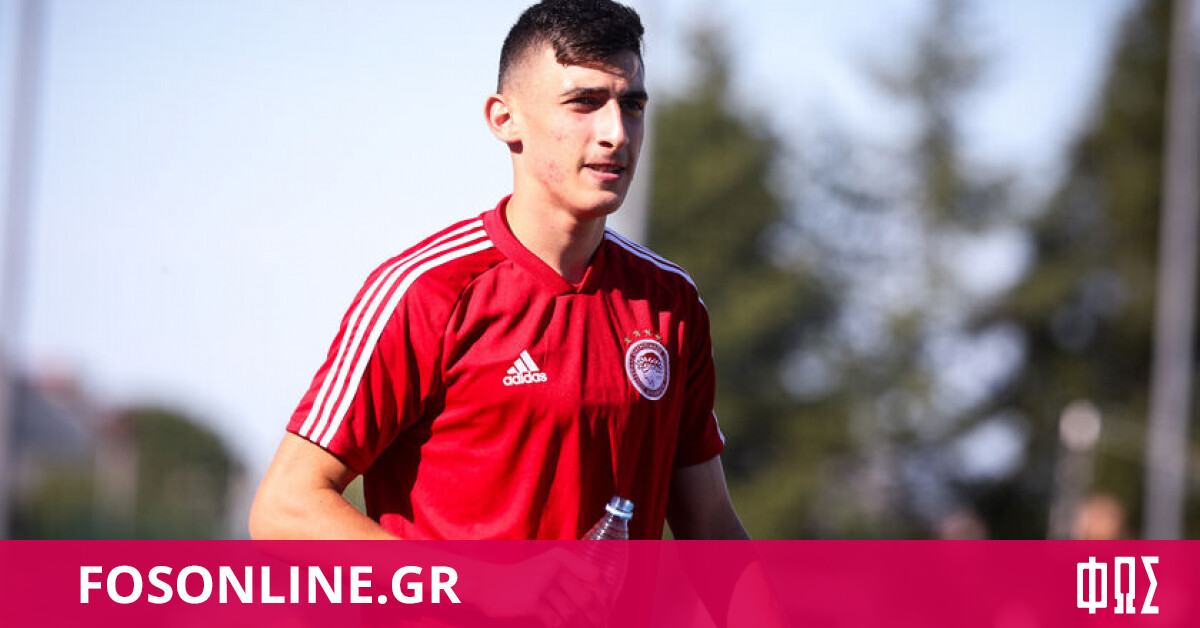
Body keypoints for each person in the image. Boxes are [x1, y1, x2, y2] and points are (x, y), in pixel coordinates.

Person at [250, 0, 748, 542]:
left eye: (631, 106)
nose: (616, 133)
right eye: (584, 102)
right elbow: (285, 507)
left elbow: (711, 527)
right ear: (504, 119)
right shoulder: (427, 291)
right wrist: (474, 584)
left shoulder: (670, 302)